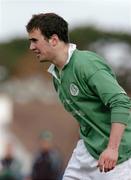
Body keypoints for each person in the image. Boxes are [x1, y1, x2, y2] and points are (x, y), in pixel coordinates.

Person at [26, 13, 131, 179]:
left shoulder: (86, 64)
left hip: (119, 154)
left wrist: (112, 149)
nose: (31, 47)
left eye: (34, 40)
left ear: (53, 40)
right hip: (87, 150)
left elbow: (121, 102)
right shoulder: (57, 75)